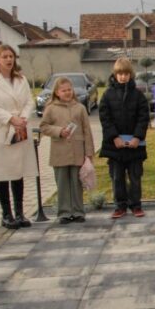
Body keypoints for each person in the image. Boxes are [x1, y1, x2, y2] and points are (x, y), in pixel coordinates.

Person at [0, 44, 38, 229]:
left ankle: (20, 212)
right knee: (3, 172)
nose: (9, 60)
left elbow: (30, 101)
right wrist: (10, 118)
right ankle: (6, 214)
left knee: (18, 172)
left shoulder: (21, 79)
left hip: (20, 129)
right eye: (4, 56)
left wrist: (22, 117)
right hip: (2, 129)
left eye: (11, 56)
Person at [39, 77, 95, 224]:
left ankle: (78, 211)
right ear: (57, 92)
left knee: (77, 183)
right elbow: (43, 127)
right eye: (64, 90)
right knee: (62, 183)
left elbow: (87, 131)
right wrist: (58, 131)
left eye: (69, 90)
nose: (67, 93)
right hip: (60, 152)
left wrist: (89, 152)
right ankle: (64, 212)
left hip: (78, 151)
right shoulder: (50, 108)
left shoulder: (80, 108)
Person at [99, 57, 149, 219]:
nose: (123, 77)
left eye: (126, 73)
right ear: (115, 74)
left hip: (135, 146)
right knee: (117, 177)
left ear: (131, 75)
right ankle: (120, 206)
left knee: (135, 177)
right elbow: (105, 119)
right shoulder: (107, 95)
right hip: (115, 147)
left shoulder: (139, 95)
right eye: (120, 73)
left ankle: (136, 205)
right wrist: (114, 137)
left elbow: (143, 118)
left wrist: (137, 137)